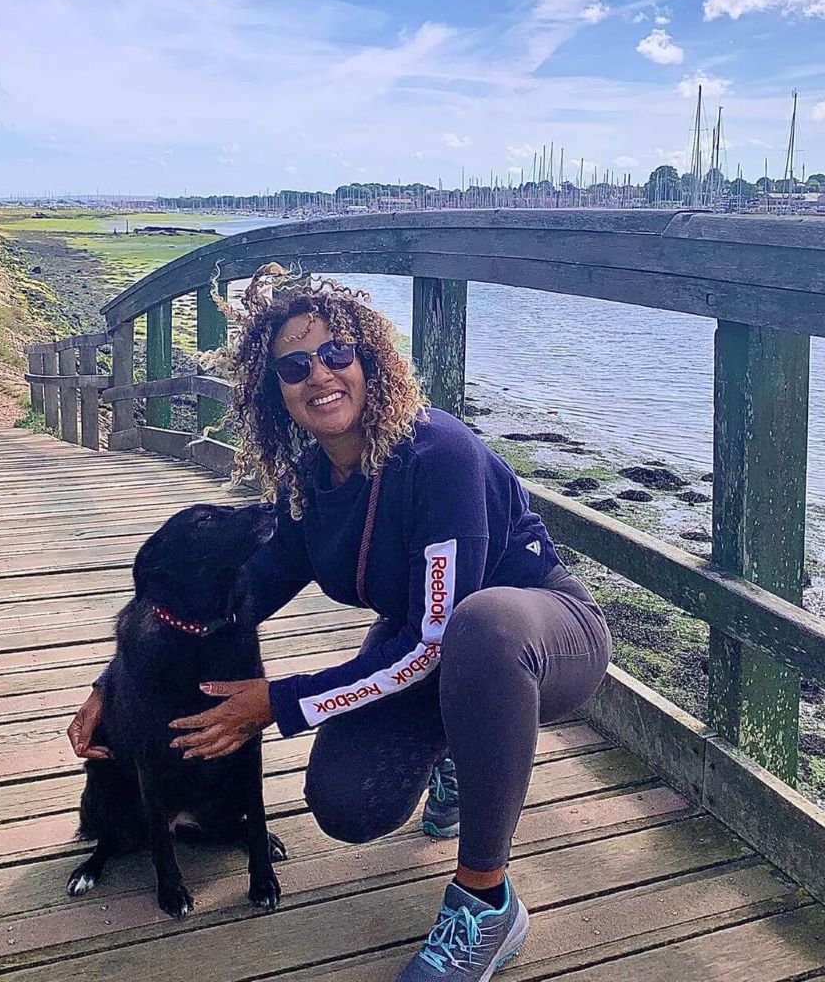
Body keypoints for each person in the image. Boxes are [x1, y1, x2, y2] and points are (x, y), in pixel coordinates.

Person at [67, 264, 611, 981]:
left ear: (370, 360)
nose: (319, 373)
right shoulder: (308, 488)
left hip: (538, 631)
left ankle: (486, 901)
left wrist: (279, 702)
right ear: (276, 392)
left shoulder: (436, 455)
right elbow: (231, 601)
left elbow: (437, 639)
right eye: (293, 366)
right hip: (432, 643)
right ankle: (462, 755)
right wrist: (118, 678)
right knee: (347, 804)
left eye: (336, 352)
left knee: (482, 628)